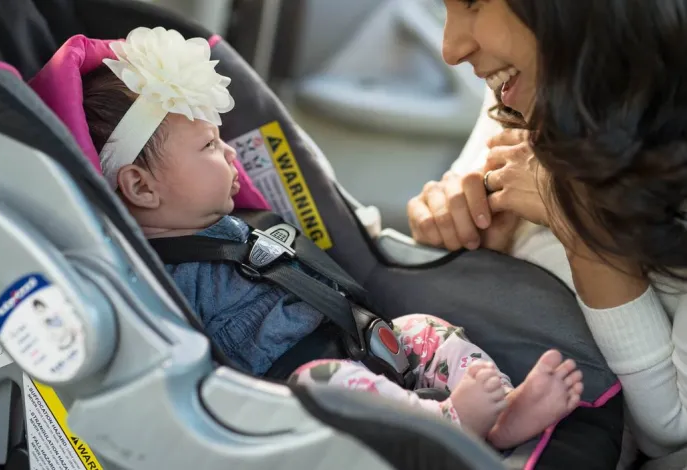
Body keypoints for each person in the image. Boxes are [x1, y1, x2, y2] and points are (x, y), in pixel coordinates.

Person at [79, 26, 583, 449]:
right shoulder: (157, 281)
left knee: (425, 329)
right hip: (295, 398)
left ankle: (501, 416)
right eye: (210, 144)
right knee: (326, 381)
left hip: (359, 345)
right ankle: (451, 426)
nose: (231, 153)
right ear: (141, 187)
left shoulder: (246, 223)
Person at [407, 0, 687, 462]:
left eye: (474, 4)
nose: (452, 49)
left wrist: (580, 223)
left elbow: (671, 430)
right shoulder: (531, 79)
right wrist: (454, 221)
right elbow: (477, 197)